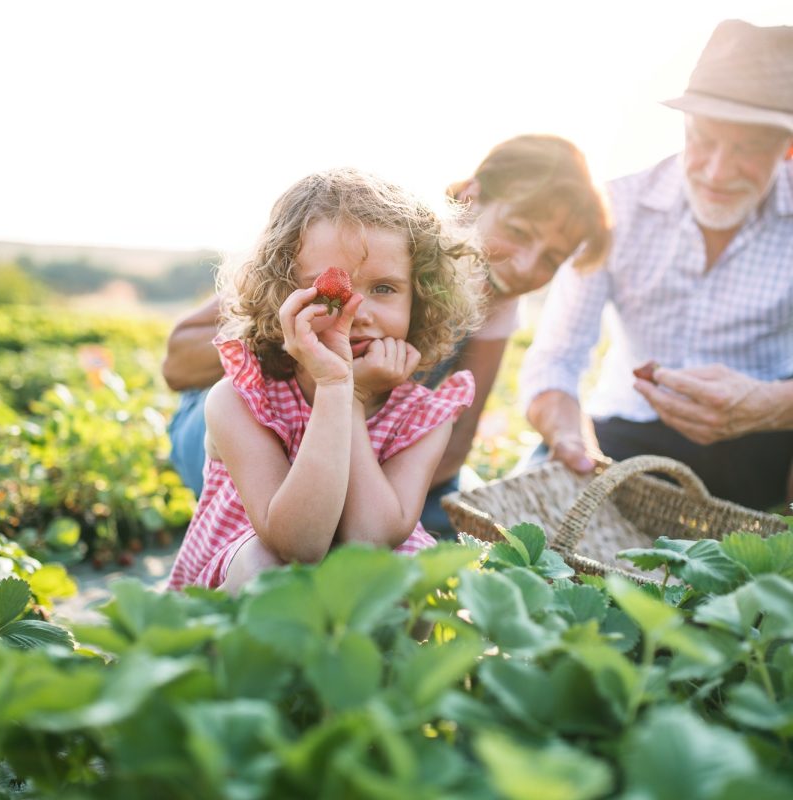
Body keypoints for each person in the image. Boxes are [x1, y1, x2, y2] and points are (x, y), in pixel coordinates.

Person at [162, 135, 611, 537]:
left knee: (463, 513)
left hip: (368, 445)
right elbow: (177, 363)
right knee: (298, 510)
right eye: (517, 232)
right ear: (471, 196)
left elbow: (453, 447)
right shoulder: (367, 233)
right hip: (260, 430)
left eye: (551, 258)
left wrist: (361, 454)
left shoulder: (497, 300)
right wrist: (297, 340)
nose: (527, 266)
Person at [167, 167, 486, 593]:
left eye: (385, 289)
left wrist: (351, 398)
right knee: (271, 568)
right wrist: (338, 389)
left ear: (421, 297)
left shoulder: (424, 415)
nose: (359, 312)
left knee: (415, 575)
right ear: (282, 296)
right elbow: (298, 545)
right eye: (331, 293)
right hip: (243, 591)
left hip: (352, 591)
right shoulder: (242, 399)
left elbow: (371, 540)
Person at [519, 19, 793, 511]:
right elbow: (557, 358)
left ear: (787, 148)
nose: (716, 172)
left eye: (748, 149)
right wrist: (567, 439)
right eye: (704, 140)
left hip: (772, 440)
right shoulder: (616, 210)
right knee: (538, 509)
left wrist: (771, 406)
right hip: (627, 435)